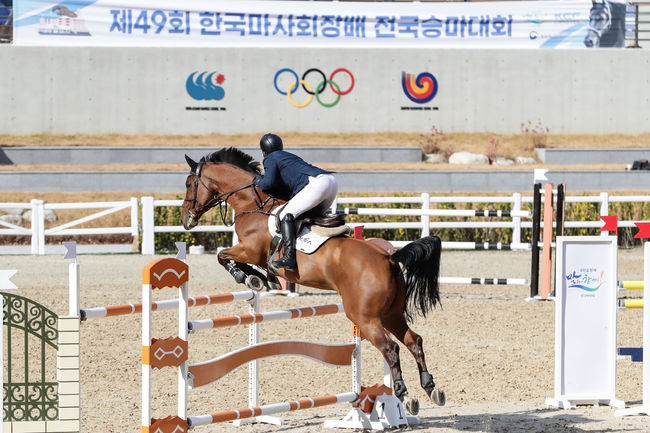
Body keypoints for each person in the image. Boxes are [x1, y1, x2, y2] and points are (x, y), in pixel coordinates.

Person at [253, 133, 338, 271]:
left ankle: (289, 258)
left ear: (263, 151)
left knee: (285, 215)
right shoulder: (288, 156)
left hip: (317, 185)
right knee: (307, 216)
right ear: (280, 146)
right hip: (331, 181)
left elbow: (268, 183)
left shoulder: (270, 158)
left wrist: (257, 181)